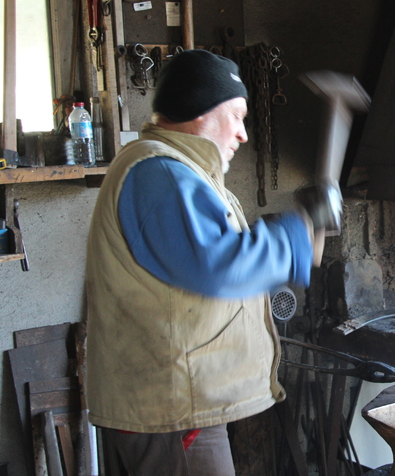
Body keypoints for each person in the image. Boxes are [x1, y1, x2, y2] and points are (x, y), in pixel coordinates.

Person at [84, 50, 330, 475]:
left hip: (178, 405)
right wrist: (294, 239)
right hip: (171, 410)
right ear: (201, 111)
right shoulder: (159, 174)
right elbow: (219, 266)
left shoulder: (176, 172)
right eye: (236, 116)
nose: (243, 134)